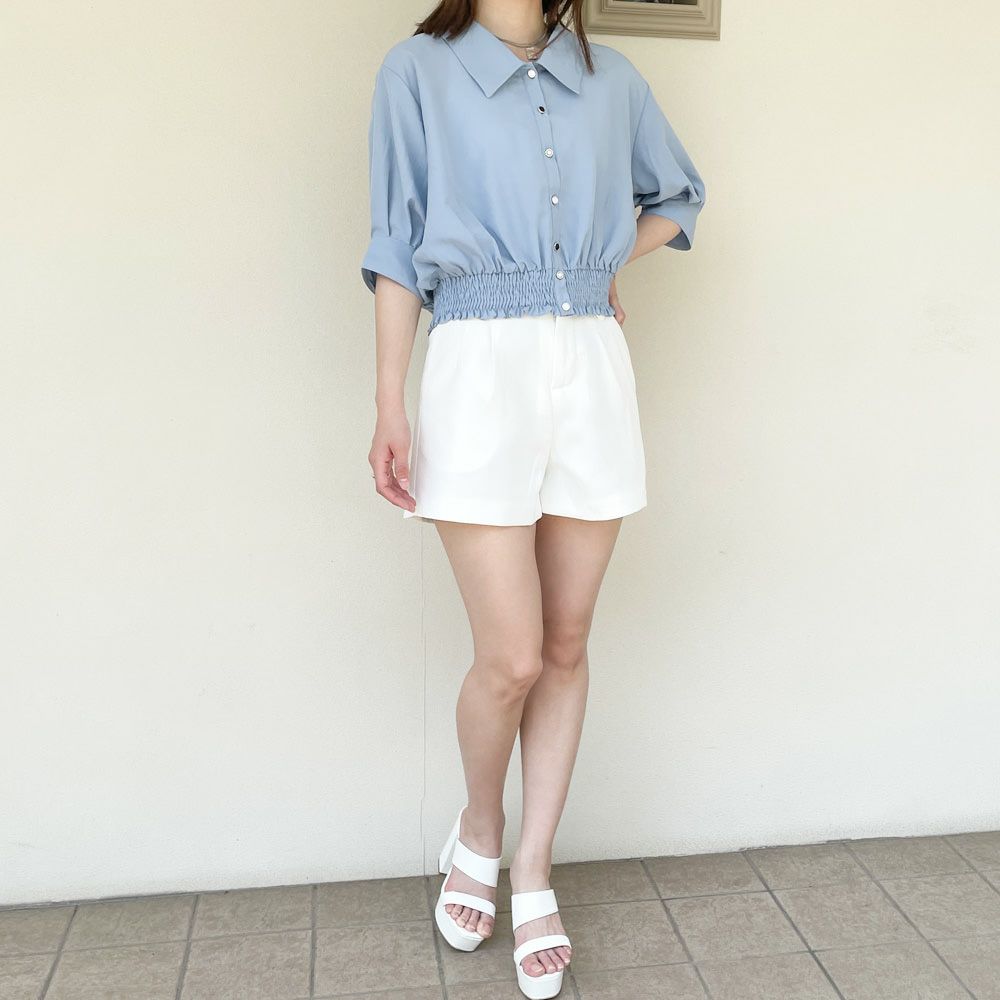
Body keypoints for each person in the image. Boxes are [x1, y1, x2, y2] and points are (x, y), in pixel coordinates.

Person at [362, 1, 705, 996]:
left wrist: (592, 264)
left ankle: (532, 867)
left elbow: (678, 195)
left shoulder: (615, 80)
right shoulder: (416, 73)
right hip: (475, 368)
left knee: (565, 641)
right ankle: (480, 826)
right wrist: (389, 400)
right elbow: (397, 242)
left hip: (591, 367)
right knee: (509, 656)